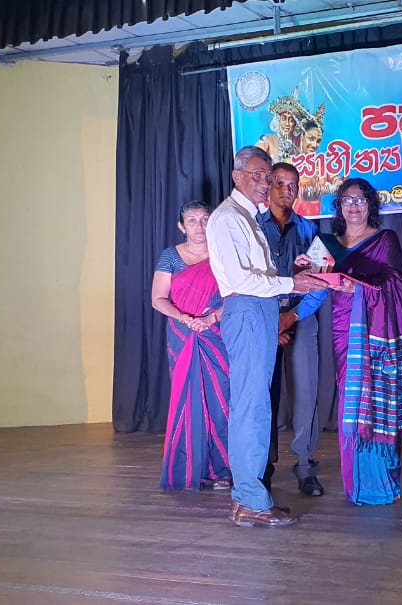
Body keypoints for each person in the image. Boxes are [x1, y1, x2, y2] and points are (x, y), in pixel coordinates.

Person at [206, 146, 329, 527]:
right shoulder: (227, 218)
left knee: (257, 407)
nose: (263, 183)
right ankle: (249, 499)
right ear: (237, 176)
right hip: (246, 309)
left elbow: (255, 274)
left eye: (267, 176)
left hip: (258, 308)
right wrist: (293, 281)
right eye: (257, 176)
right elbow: (242, 280)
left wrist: (291, 272)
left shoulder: (248, 218)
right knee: (250, 406)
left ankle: (251, 497)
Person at [317, 178, 402, 506]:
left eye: (361, 200)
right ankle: (357, 482)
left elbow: (398, 284)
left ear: (371, 205)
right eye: (348, 200)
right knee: (352, 402)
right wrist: (304, 271)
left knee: (378, 399)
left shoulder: (385, 240)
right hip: (346, 331)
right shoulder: (327, 243)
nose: (354, 206)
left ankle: (381, 481)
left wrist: (356, 288)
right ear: (339, 206)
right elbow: (310, 283)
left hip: (378, 333)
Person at [150, 201, 233, 491]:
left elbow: (236, 294)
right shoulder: (170, 257)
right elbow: (158, 298)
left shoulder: (224, 253)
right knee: (188, 398)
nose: (200, 226)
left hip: (217, 333)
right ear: (181, 226)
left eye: (205, 219)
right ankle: (191, 467)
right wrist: (185, 318)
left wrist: (211, 318)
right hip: (182, 336)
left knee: (222, 402)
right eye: (192, 220)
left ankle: (222, 469)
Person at [257, 162, 327, 497]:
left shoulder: (309, 230)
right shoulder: (253, 227)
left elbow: (321, 282)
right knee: (263, 396)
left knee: (305, 393)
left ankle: (304, 465)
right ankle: (262, 466)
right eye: (280, 183)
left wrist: (293, 317)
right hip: (264, 321)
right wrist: (274, 321)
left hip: (301, 317)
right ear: (268, 185)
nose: (288, 191)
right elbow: (247, 282)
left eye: (293, 185)